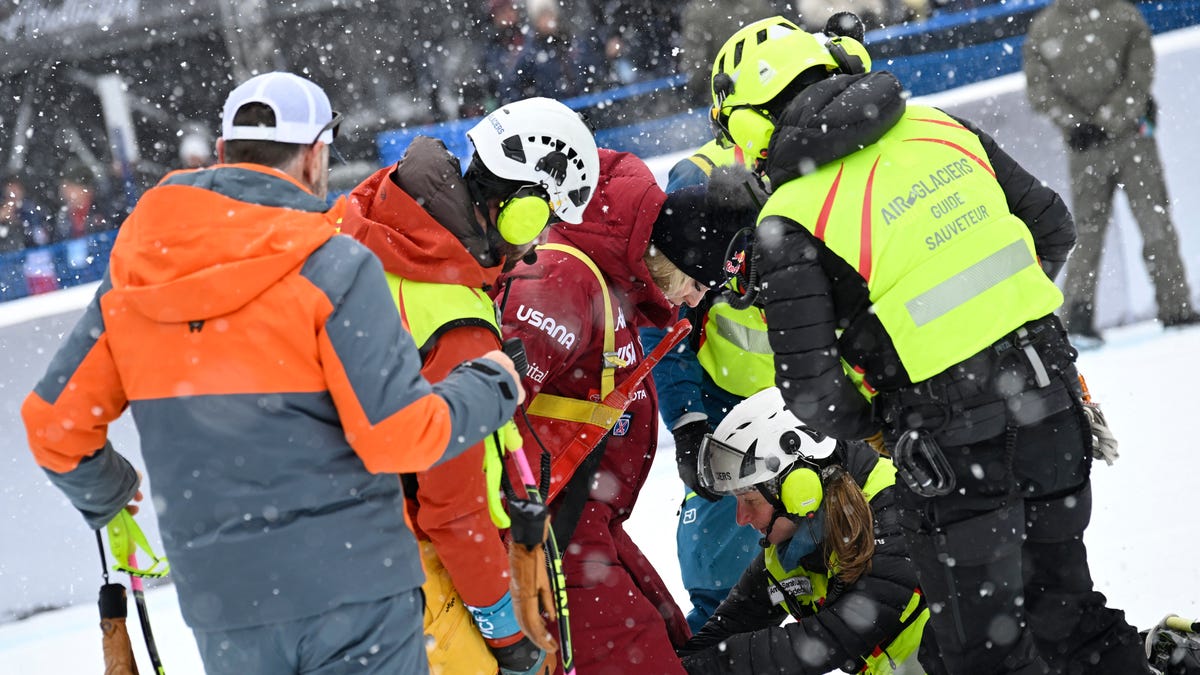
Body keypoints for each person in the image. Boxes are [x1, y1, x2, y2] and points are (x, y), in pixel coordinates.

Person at [21, 71, 525, 675]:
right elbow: (398, 436)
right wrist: (489, 384)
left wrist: (109, 487)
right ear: (316, 156)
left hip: (227, 606)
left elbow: (54, 427)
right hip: (357, 590)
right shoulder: (335, 266)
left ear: (221, 151)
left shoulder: (136, 268)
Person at [708, 14, 1152, 674]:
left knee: (982, 657)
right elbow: (1053, 228)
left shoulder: (789, 215)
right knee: (1069, 621)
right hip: (1050, 398)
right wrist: (1000, 327)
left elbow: (812, 391)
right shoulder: (939, 126)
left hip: (948, 447)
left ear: (748, 122)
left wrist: (885, 418)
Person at [339, 96, 599, 675]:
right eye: (543, 222)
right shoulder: (456, 323)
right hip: (399, 567)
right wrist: (507, 633)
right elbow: (452, 509)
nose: (537, 244)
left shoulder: (367, 234)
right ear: (521, 211)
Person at [496, 147, 757, 674]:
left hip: (583, 521)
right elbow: (487, 419)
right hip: (548, 531)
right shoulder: (567, 282)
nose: (693, 301)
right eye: (696, 284)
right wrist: (513, 540)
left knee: (673, 639)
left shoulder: (614, 287)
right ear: (671, 257)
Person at [679, 387, 946, 675]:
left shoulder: (896, 507)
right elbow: (732, 623)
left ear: (799, 486)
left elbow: (837, 635)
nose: (741, 518)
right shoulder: (789, 546)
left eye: (750, 500)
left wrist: (720, 663)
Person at [640, 144, 766, 634]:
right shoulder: (698, 181)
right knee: (724, 592)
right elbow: (664, 315)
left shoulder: (827, 168)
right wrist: (689, 421)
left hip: (821, 400)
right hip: (725, 409)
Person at [1023, 0, 1199, 347]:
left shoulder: (1044, 27)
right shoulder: (1123, 14)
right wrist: (1113, 118)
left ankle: (1078, 316)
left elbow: (1040, 91)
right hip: (1131, 138)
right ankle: (1174, 305)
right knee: (1154, 221)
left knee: (1087, 233)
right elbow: (1140, 73)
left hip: (1086, 148)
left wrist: (1078, 124)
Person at [1, 174, 49, 253]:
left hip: (32, 252)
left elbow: (40, 235)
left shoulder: (30, 209)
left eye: (15, 191)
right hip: (8, 252)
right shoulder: (4, 210)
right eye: (10, 192)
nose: (13, 195)